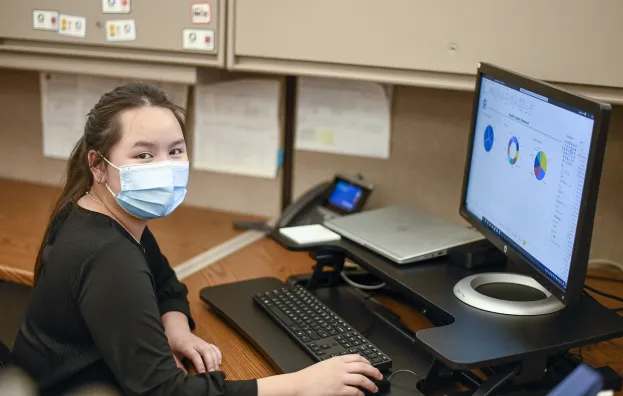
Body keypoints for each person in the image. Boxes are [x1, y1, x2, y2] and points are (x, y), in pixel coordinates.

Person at [10, 83, 383, 396]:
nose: (164, 167)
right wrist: (300, 385)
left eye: (175, 150)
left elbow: (166, 283)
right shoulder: (109, 255)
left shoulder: (98, 211)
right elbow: (163, 391)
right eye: (143, 154)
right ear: (98, 165)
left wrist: (176, 331)